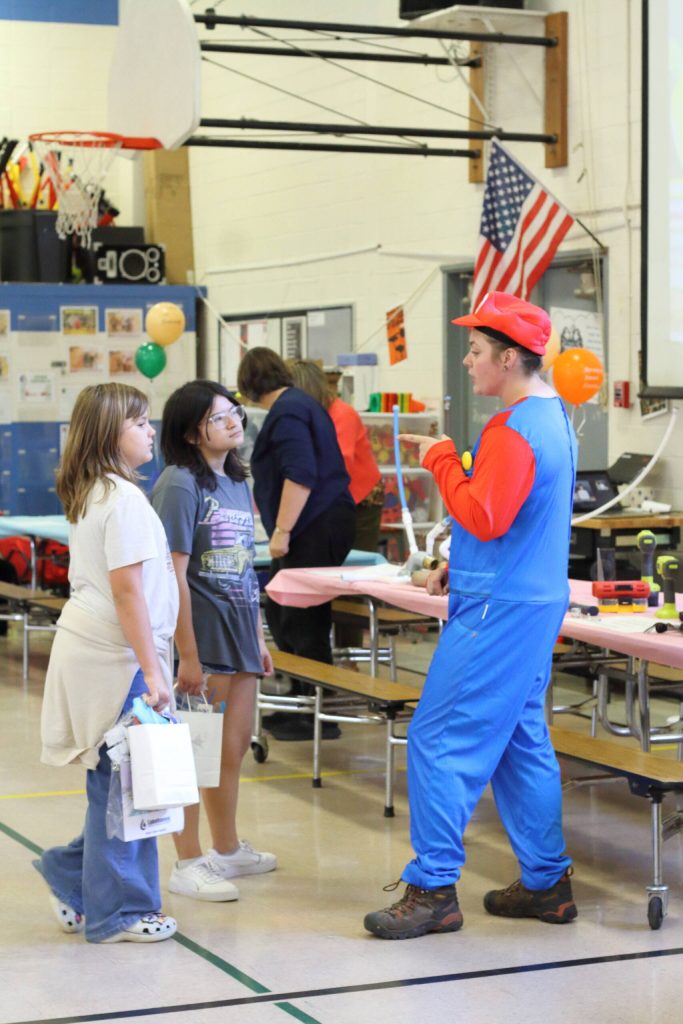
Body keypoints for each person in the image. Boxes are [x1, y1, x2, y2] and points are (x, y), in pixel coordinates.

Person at [364, 291, 578, 939]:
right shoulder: (553, 418)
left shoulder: (510, 429)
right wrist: (462, 566)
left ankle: (432, 889)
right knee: (519, 741)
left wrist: (440, 460)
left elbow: (483, 513)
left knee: (436, 737)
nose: (468, 360)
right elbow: (518, 520)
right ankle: (547, 884)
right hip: (525, 596)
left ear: (509, 358)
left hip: (497, 612)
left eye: (478, 350)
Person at [33, 383, 179, 944]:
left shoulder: (97, 490)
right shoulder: (122, 500)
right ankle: (119, 911)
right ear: (109, 432)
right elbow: (128, 594)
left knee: (116, 781)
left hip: (98, 651)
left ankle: (72, 877)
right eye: (139, 422)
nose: (150, 431)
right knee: (126, 786)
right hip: (114, 658)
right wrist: (155, 669)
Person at [151, 380, 276, 902]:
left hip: (241, 636)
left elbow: (244, 569)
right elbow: (172, 575)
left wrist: (259, 636)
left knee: (231, 752)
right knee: (195, 756)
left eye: (234, 412)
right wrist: (189, 653)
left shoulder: (236, 484)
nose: (233, 422)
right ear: (190, 432)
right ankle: (187, 861)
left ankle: (226, 849)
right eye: (218, 416)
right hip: (202, 640)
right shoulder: (180, 484)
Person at [237, 347, 355, 741]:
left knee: (301, 620)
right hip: (323, 522)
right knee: (290, 615)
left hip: (312, 526)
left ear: (248, 384)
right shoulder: (301, 405)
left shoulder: (287, 413)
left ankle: (317, 712)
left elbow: (300, 474)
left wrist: (282, 531)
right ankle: (303, 701)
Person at [286, 359, 384, 553]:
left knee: (356, 562)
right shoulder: (306, 414)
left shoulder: (342, 414)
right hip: (330, 497)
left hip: (362, 499)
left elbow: (338, 463)